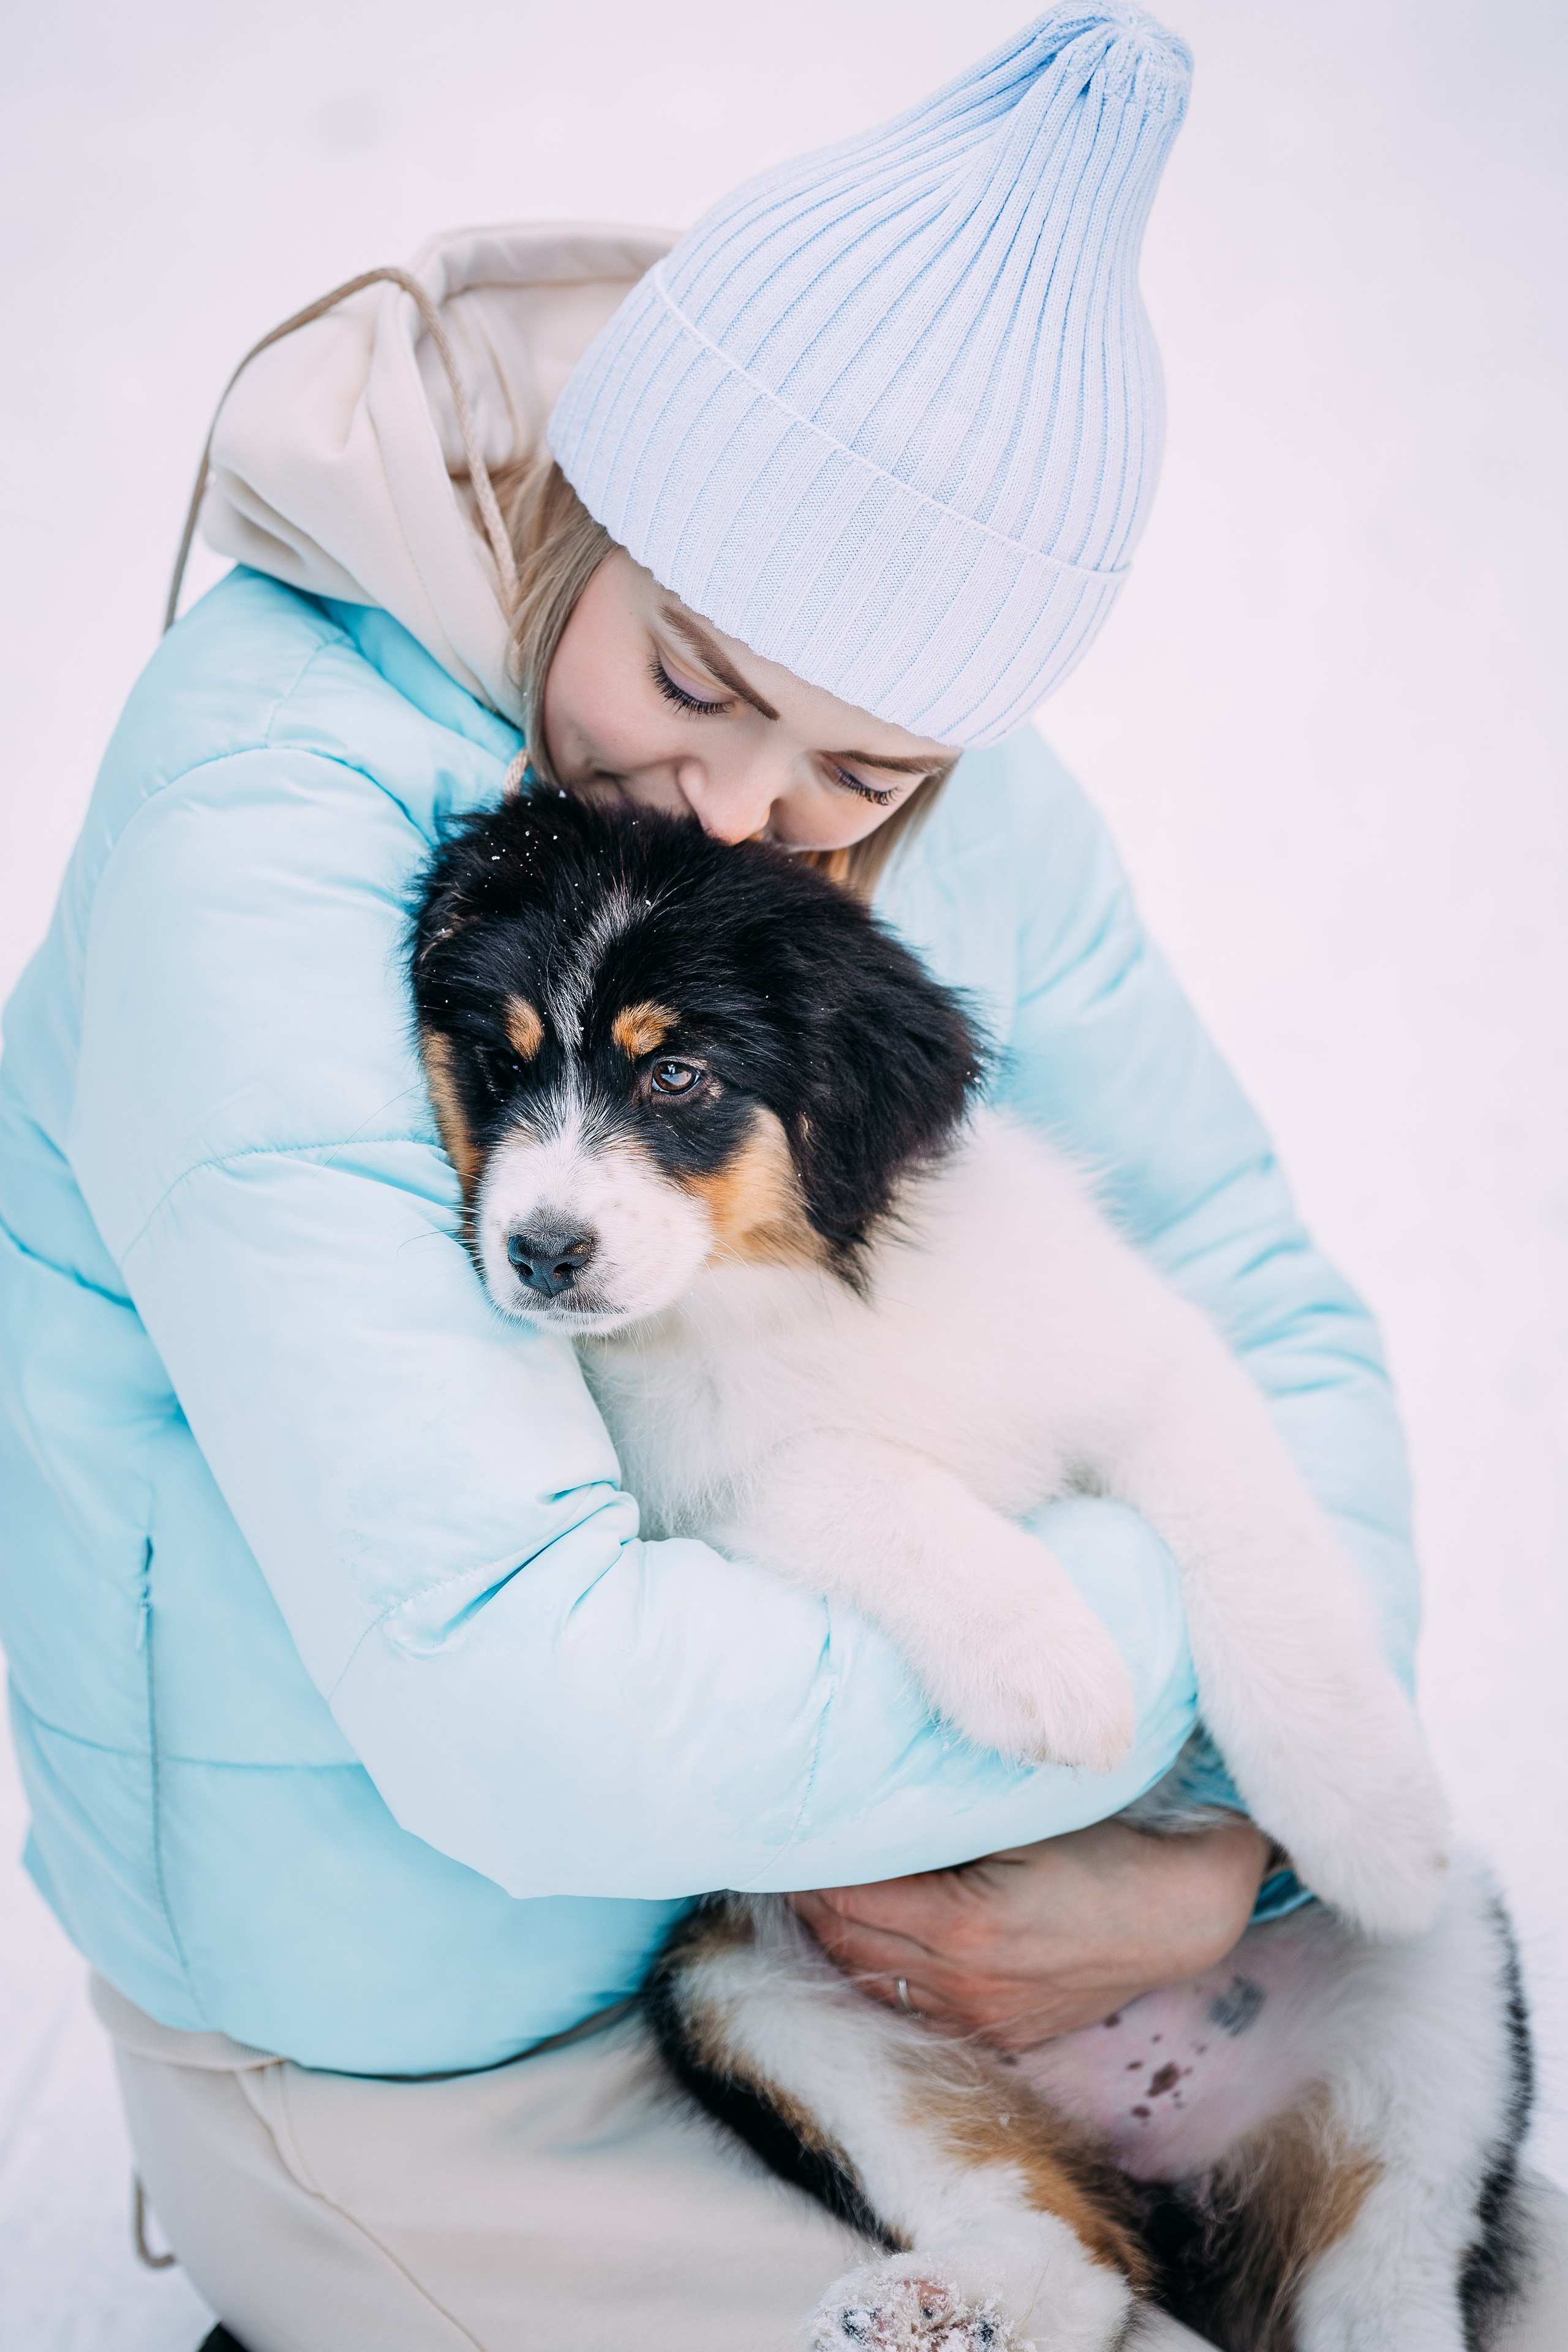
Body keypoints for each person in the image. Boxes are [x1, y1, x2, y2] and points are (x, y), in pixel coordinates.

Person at [2, 10, 1555, 2348]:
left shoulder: (923, 793)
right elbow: (526, 1710)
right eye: (695, 676)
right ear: (593, 510)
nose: (743, 813)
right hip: (451, 2069)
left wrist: (1217, 1845)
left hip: (933, 1918)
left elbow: (1253, 1291)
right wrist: (1149, 1712)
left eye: (862, 759)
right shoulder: (283, 842)